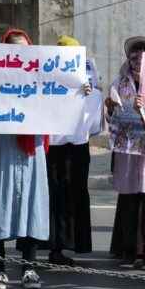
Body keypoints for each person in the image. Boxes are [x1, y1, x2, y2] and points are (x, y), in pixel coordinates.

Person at [0, 29, 88, 289]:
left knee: (31, 207)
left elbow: (60, 100)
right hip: (4, 148)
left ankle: (29, 268)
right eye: (14, 49)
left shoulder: (41, 74)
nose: (20, 54)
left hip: (33, 149)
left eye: (25, 48)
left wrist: (79, 91)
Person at [44, 35, 99, 266]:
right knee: (54, 196)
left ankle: (71, 244)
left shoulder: (87, 77)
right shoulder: (46, 78)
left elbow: (94, 122)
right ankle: (53, 248)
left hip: (77, 148)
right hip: (54, 148)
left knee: (75, 194)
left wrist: (89, 94)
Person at [105, 36, 145, 271]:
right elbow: (111, 117)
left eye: (143, 53)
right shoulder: (119, 83)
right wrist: (110, 107)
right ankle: (128, 252)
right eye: (134, 53)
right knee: (128, 202)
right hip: (127, 150)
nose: (138, 58)